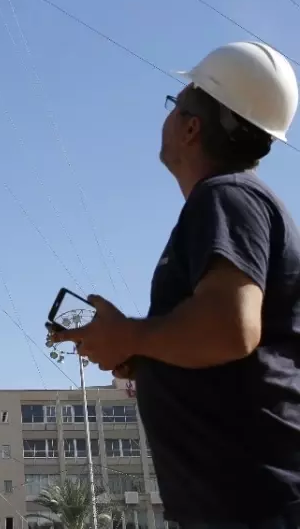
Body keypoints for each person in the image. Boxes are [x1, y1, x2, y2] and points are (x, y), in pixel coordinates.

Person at [49, 41, 300, 528]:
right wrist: (146, 356)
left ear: (191, 127)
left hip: (252, 506)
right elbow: (234, 350)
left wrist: (131, 336)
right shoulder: (235, 202)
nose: (167, 117)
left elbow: (231, 327)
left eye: (175, 104)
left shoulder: (226, 197)